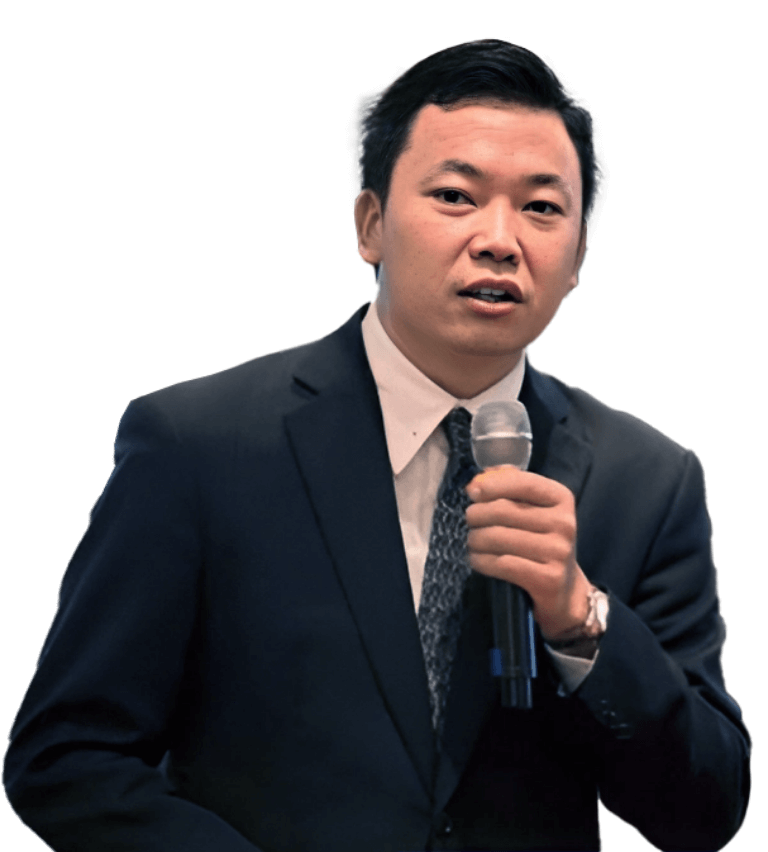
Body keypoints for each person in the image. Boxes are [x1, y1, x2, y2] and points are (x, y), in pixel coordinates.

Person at [4, 39, 750, 851]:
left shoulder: (648, 482)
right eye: (456, 196)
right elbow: (67, 758)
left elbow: (703, 813)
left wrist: (581, 621)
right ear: (371, 225)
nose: (500, 239)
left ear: (576, 260)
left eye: (542, 208)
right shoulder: (198, 447)